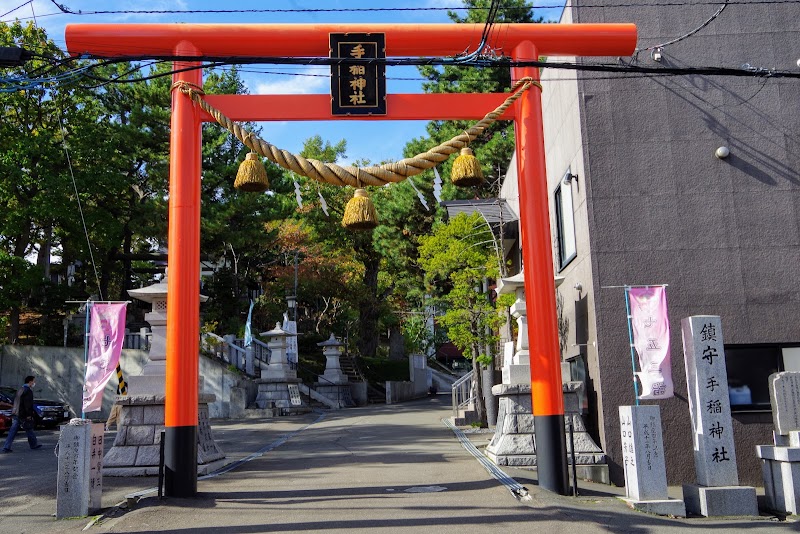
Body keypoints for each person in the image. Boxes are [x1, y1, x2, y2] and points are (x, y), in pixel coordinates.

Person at [2, 375, 42, 452]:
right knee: (29, 428)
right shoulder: (28, 391)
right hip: (23, 414)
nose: (34, 383)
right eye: (34, 381)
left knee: (13, 431)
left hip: (16, 413)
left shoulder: (20, 389)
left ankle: (6, 447)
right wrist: (29, 415)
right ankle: (34, 445)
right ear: (30, 382)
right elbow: (28, 404)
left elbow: (16, 401)